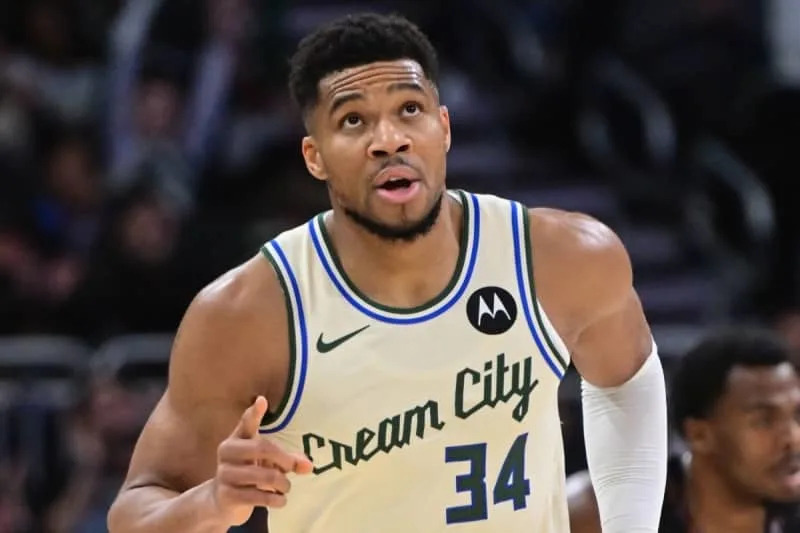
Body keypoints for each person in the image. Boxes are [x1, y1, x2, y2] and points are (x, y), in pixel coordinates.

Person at [107, 12, 668, 533]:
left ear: (443, 128)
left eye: (409, 110)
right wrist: (210, 503)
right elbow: (135, 510)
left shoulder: (559, 256)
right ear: (315, 156)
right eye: (353, 121)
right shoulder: (250, 313)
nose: (389, 140)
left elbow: (628, 383)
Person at [567, 327, 800, 533]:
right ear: (699, 435)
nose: (793, 438)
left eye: (797, 416)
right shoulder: (600, 514)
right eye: (763, 420)